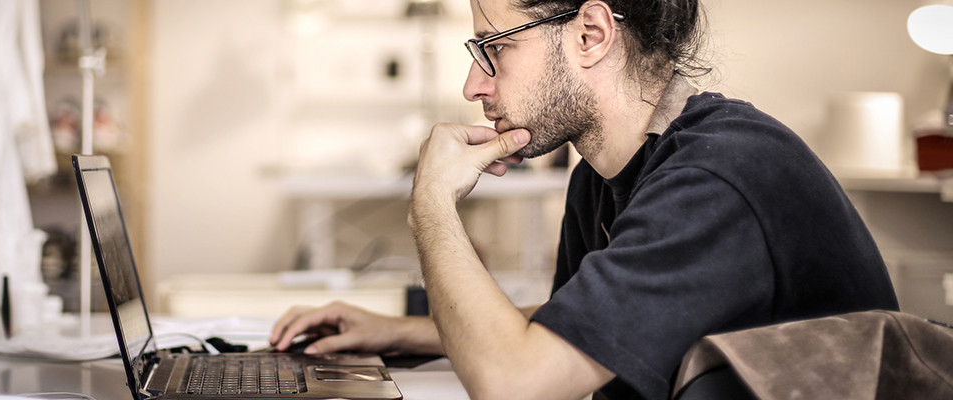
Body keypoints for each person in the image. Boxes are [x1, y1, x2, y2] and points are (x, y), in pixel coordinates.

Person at [270, 0, 900, 399]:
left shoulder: (719, 173)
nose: (472, 84)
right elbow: (580, 327)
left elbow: (519, 384)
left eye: (495, 48)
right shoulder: (602, 176)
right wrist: (403, 332)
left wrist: (431, 204)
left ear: (592, 34)